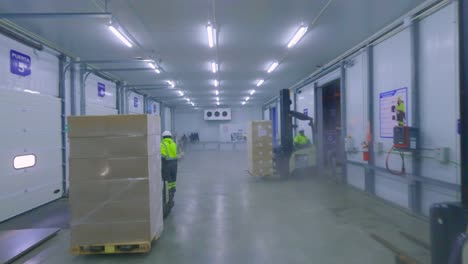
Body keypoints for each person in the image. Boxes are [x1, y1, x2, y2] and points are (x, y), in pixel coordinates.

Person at [161, 131, 178, 212]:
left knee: (167, 182)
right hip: (174, 165)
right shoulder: (174, 144)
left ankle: (166, 201)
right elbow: (177, 154)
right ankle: (171, 198)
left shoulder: (162, 144)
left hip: (167, 165)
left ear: (163, 137)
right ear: (170, 137)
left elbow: (162, 156)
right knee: (173, 182)